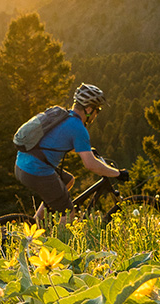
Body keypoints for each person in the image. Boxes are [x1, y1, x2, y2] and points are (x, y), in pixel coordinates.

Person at [14, 83, 129, 221]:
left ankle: (35, 223)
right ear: (88, 109)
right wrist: (117, 173)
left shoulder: (62, 116)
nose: (96, 114)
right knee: (68, 213)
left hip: (22, 165)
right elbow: (90, 164)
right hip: (36, 170)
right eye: (97, 110)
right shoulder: (78, 128)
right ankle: (58, 233)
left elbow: (57, 141)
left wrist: (87, 150)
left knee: (67, 180)